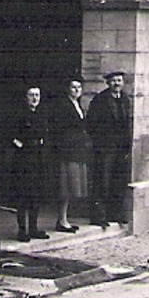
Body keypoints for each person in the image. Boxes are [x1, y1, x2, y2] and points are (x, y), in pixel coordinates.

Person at [85, 70, 132, 226]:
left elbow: (128, 124)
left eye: (119, 80)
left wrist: (127, 147)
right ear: (108, 83)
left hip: (121, 148)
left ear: (123, 83)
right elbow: (91, 124)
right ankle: (99, 216)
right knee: (102, 181)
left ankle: (115, 214)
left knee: (118, 181)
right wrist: (100, 141)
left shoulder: (125, 100)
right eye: (113, 81)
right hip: (105, 148)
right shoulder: (100, 100)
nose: (116, 83)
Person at [11, 85, 51, 240]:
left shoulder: (41, 114)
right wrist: (21, 146)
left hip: (38, 157)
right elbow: (11, 135)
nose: (35, 98)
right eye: (31, 95)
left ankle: (34, 228)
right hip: (23, 160)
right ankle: (22, 230)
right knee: (23, 195)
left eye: (37, 95)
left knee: (36, 194)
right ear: (25, 97)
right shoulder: (19, 114)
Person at [50, 76, 90, 233]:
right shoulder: (63, 106)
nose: (77, 90)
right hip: (67, 150)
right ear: (68, 88)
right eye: (73, 87)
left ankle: (64, 219)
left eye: (79, 88)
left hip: (77, 149)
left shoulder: (77, 105)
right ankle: (61, 220)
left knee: (72, 186)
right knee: (65, 186)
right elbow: (59, 129)